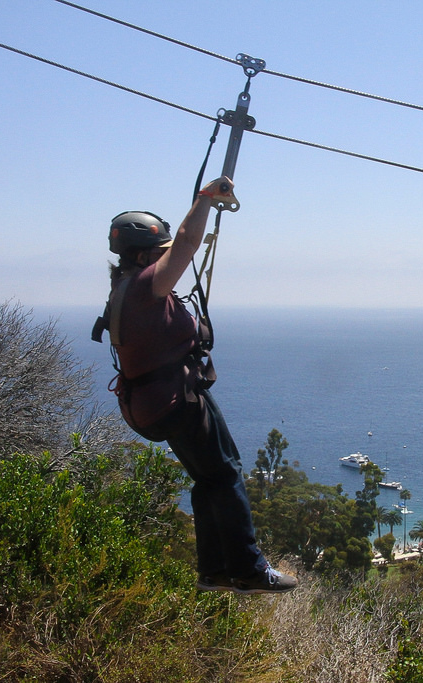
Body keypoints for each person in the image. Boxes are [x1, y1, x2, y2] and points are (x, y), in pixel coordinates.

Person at [98, 176, 296, 595]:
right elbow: (188, 242)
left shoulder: (125, 288)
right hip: (176, 401)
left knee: (210, 480)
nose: (169, 260)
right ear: (142, 255)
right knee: (227, 476)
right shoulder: (142, 289)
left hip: (152, 404)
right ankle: (248, 568)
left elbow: (181, 248)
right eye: (160, 253)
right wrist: (206, 199)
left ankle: (215, 570)